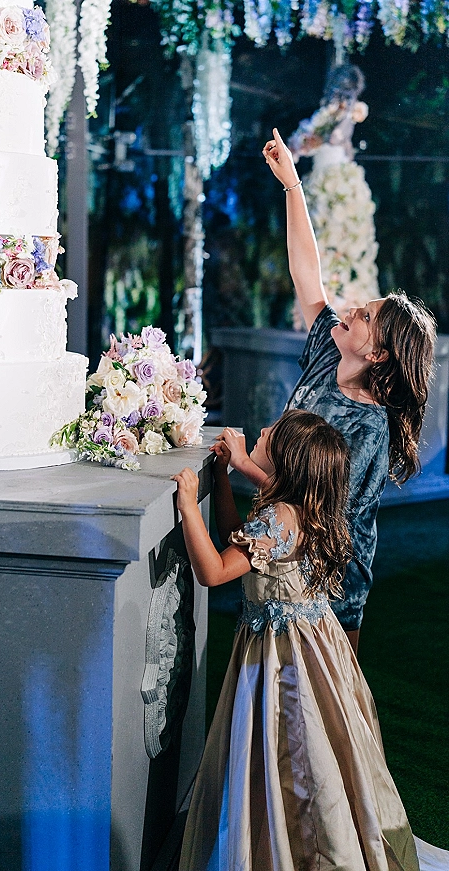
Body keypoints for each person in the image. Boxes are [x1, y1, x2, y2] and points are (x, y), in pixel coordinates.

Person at [214, 126, 437, 653]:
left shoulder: (370, 428)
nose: (351, 310)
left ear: (378, 355)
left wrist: (247, 467)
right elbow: (307, 274)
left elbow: (322, 515)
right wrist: (292, 184)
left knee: (324, 717)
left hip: (330, 592)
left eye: (364, 317)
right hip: (280, 556)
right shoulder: (327, 350)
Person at [173, 409, 420, 871]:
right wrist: (226, 476)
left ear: (284, 462)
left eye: (270, 435)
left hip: (288, 659)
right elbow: (235, 541)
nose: (262, 432)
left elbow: (213, 570)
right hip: (307, 642)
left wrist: (188, 506)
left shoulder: (281, 518)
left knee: (294, 754)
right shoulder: (288, 506)